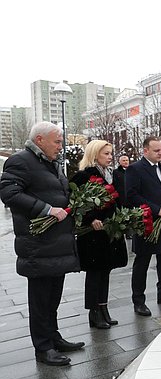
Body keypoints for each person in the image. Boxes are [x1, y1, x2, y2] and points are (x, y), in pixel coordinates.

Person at [0, 122, 84, 366]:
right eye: (57, 141)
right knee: (40, 300)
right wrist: (47, 210)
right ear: (39, 140)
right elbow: (9, 193)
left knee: (53, 297)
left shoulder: (49, 163)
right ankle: (43, 347)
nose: (61, 146)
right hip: (38, 244)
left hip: (56, 244)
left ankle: (53, 337)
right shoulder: (20, 161)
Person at [71, 140, 128, 329]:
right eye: (106, 154)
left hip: (108, 232)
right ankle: (93, 313)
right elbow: (76, 201)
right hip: (93, 234)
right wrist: (90, 219)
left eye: (111, 153)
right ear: (95, 155)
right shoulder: (84, 175)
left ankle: (103, 309)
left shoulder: (111, 174)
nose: (110, 157)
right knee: (95, 274)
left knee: (105, 271)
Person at [125, 136, 161, 316]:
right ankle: (139, 300)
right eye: (156, 150)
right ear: (145, 151)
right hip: (147, 223)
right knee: (142, 262)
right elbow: (132, 196)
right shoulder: (135, 169)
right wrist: (156, 209)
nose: (160, 153)